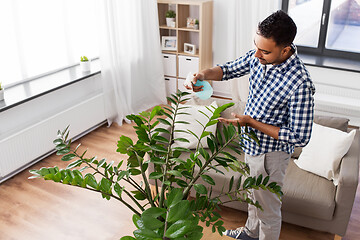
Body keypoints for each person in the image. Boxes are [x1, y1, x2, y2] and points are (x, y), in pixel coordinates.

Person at [185, 10, 315, 240]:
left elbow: (300, 136)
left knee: (269, 211)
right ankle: (249, 233)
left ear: (285, 50)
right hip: (251, 146)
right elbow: (228, 69)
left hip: (271, 154)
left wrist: (251, 122)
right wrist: (202, 75)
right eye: (256, 46)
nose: (256, 54)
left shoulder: (300, 83)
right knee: (255, 198)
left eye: (264, 50)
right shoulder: (260, 55)